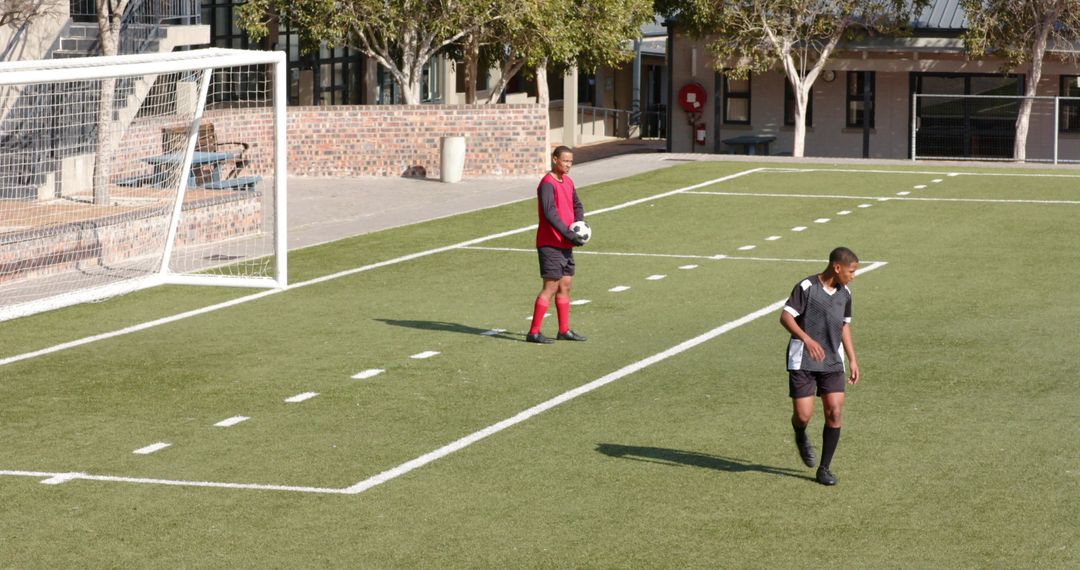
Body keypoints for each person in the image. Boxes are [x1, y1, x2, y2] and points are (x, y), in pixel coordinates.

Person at [779, 247, 861, 485]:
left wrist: (853, 359)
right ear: (837, 267)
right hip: (803, 360)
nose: (853, 275)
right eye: (851, 270)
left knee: (834, 411)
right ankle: (800, 433)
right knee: (803, 415)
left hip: (833, 361)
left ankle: (824, 468)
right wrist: (806, 338)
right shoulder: (806, 288)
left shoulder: (845, 293)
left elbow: (844, 326)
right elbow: (785, 316)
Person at [525, 146, 588, 344]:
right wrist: (569, 234)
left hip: (565, 243)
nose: (568, 165)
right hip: (550, 243)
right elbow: (549, 213)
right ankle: (533, 332)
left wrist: (579, 224)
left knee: (566, 285)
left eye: (571, 161)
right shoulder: (547, 184)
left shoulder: (568, 181)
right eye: (565, 161)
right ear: (554, 160)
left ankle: (563, 330)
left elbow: (577, 204)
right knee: (550, 286)